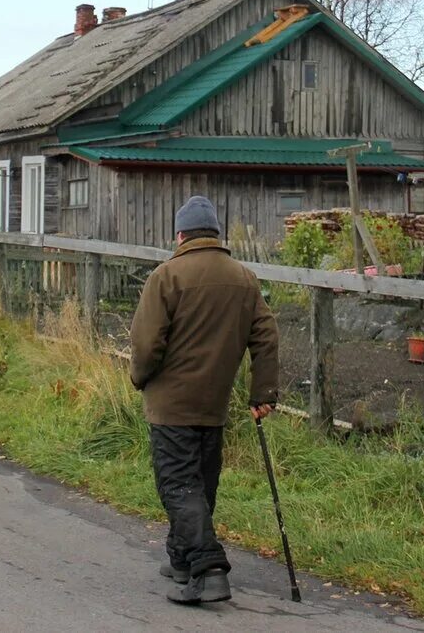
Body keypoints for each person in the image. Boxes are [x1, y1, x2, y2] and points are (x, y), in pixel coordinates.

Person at [130, 196, 279, 605]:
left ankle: (209, 568)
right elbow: (266, 337)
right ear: (215, 233)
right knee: (201, 481)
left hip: (170, 405)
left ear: (180, 235)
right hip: (214, 404)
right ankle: (182, 559)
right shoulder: (245, 279)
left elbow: (146, 343)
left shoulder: (166, 276)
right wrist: (262, 393)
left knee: (177, 484)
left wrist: (139, 377)